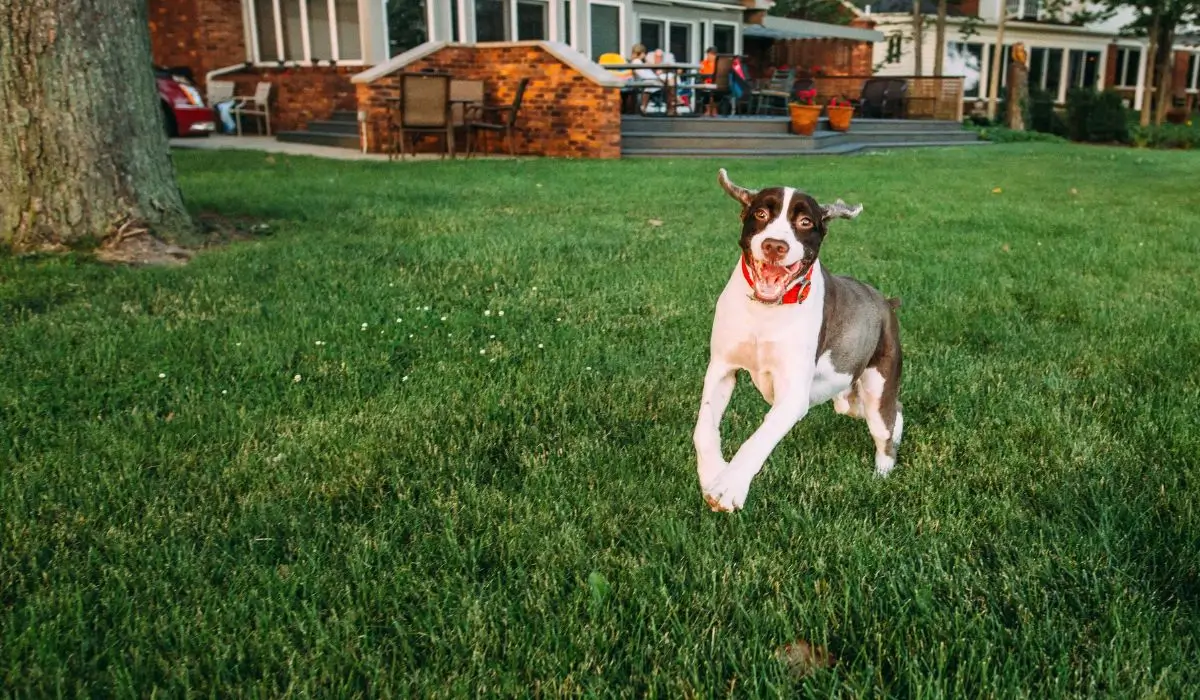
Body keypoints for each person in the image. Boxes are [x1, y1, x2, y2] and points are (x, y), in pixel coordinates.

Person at [698, 46, 719, 116]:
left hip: (717, 84)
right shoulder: (703, 63)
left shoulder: (719, 64)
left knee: (714, 91)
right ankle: (709, 110)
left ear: (715, 55)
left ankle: (712, 110)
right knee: (706, 89)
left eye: (710, 55)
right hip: (707, 83)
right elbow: (700, 73)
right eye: (708, 54)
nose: (708, 56)